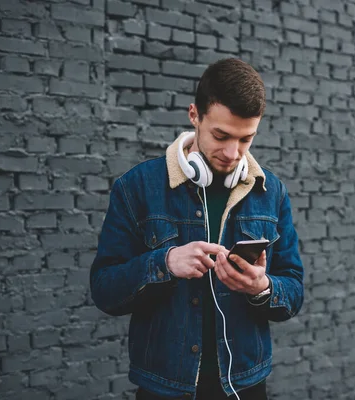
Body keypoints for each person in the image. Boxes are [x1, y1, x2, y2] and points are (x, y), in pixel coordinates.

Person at [90, 58, 304, 400]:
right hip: (164, 386)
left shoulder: (272, 192)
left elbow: (293, 289)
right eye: (221, 136)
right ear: (195, 115)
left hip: (245, 385)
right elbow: (103, 290)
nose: (233, 153)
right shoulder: (137, 187)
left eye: (246, 139)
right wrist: (166, 263)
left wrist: (261, 287)